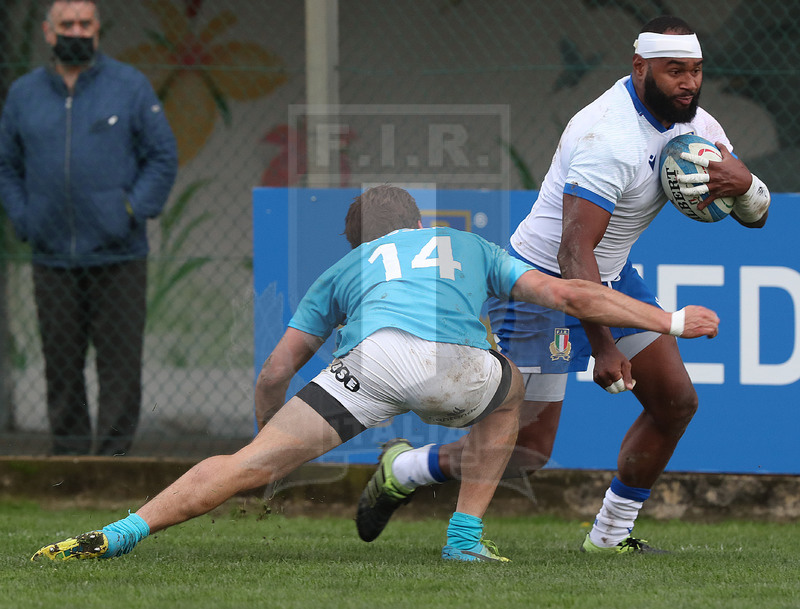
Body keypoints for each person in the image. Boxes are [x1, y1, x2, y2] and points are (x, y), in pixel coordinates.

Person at [31, 185, 719, 564]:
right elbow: (574, 296)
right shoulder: (468, 244)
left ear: (361, 240)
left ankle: (117, 533)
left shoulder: (343, 268)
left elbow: (277, 368)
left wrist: (268, 439)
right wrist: (671, 320)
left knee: (242, 463)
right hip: (461, 369)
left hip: (371, 366)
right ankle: (464, 538)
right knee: (511, 391)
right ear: (419, 223)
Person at [355, 16, 770, 554]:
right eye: (674, 72)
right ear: (640, 68)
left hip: (612, 276)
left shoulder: (701, 129)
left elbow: (752, 216)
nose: (688, 83)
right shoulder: (607, 135)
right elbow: (572, 252)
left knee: (675, 404)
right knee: (527, 449)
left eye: (695, 70)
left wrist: (748, 185)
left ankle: (609, 536)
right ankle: (405, 468)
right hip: (538, 286)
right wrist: (601, 345)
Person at [0, 0, 178, 455]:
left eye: (84, 23)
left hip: (119, 255)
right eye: (67, 24)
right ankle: (70, 462)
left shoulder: (130, 86)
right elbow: (7, 165)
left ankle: (113, 465)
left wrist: (130, 211)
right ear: (48, 31)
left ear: (98, 31)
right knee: (60, 364)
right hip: (51, 255)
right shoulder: (23, 94)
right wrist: (25, 219)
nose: (76, 31)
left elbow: (162, 156)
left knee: (119, 366)